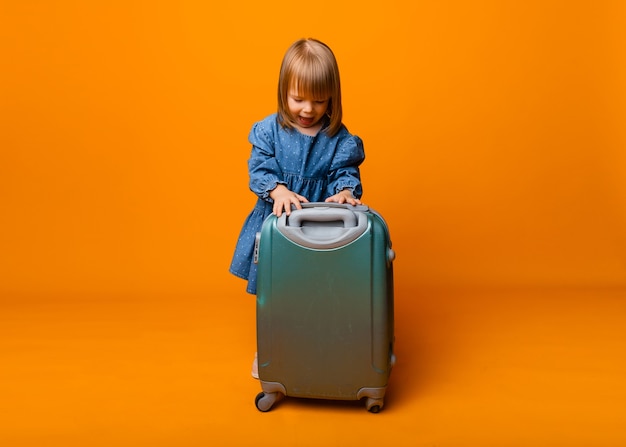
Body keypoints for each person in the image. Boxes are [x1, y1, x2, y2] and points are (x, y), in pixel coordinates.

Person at [228, 38, 365, 376]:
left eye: (318, 101)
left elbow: (343, 173)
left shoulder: (337, 139)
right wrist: (277, 189)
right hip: (279, 227)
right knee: (276, 295)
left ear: (332, 97)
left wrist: (345, 191)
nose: (307, 109)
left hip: (319, 231)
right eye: (298, 98)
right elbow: (258, 168)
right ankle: (272, 350)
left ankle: (315, 346)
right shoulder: (269, 132)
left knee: (318, 293)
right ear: (283, 92)